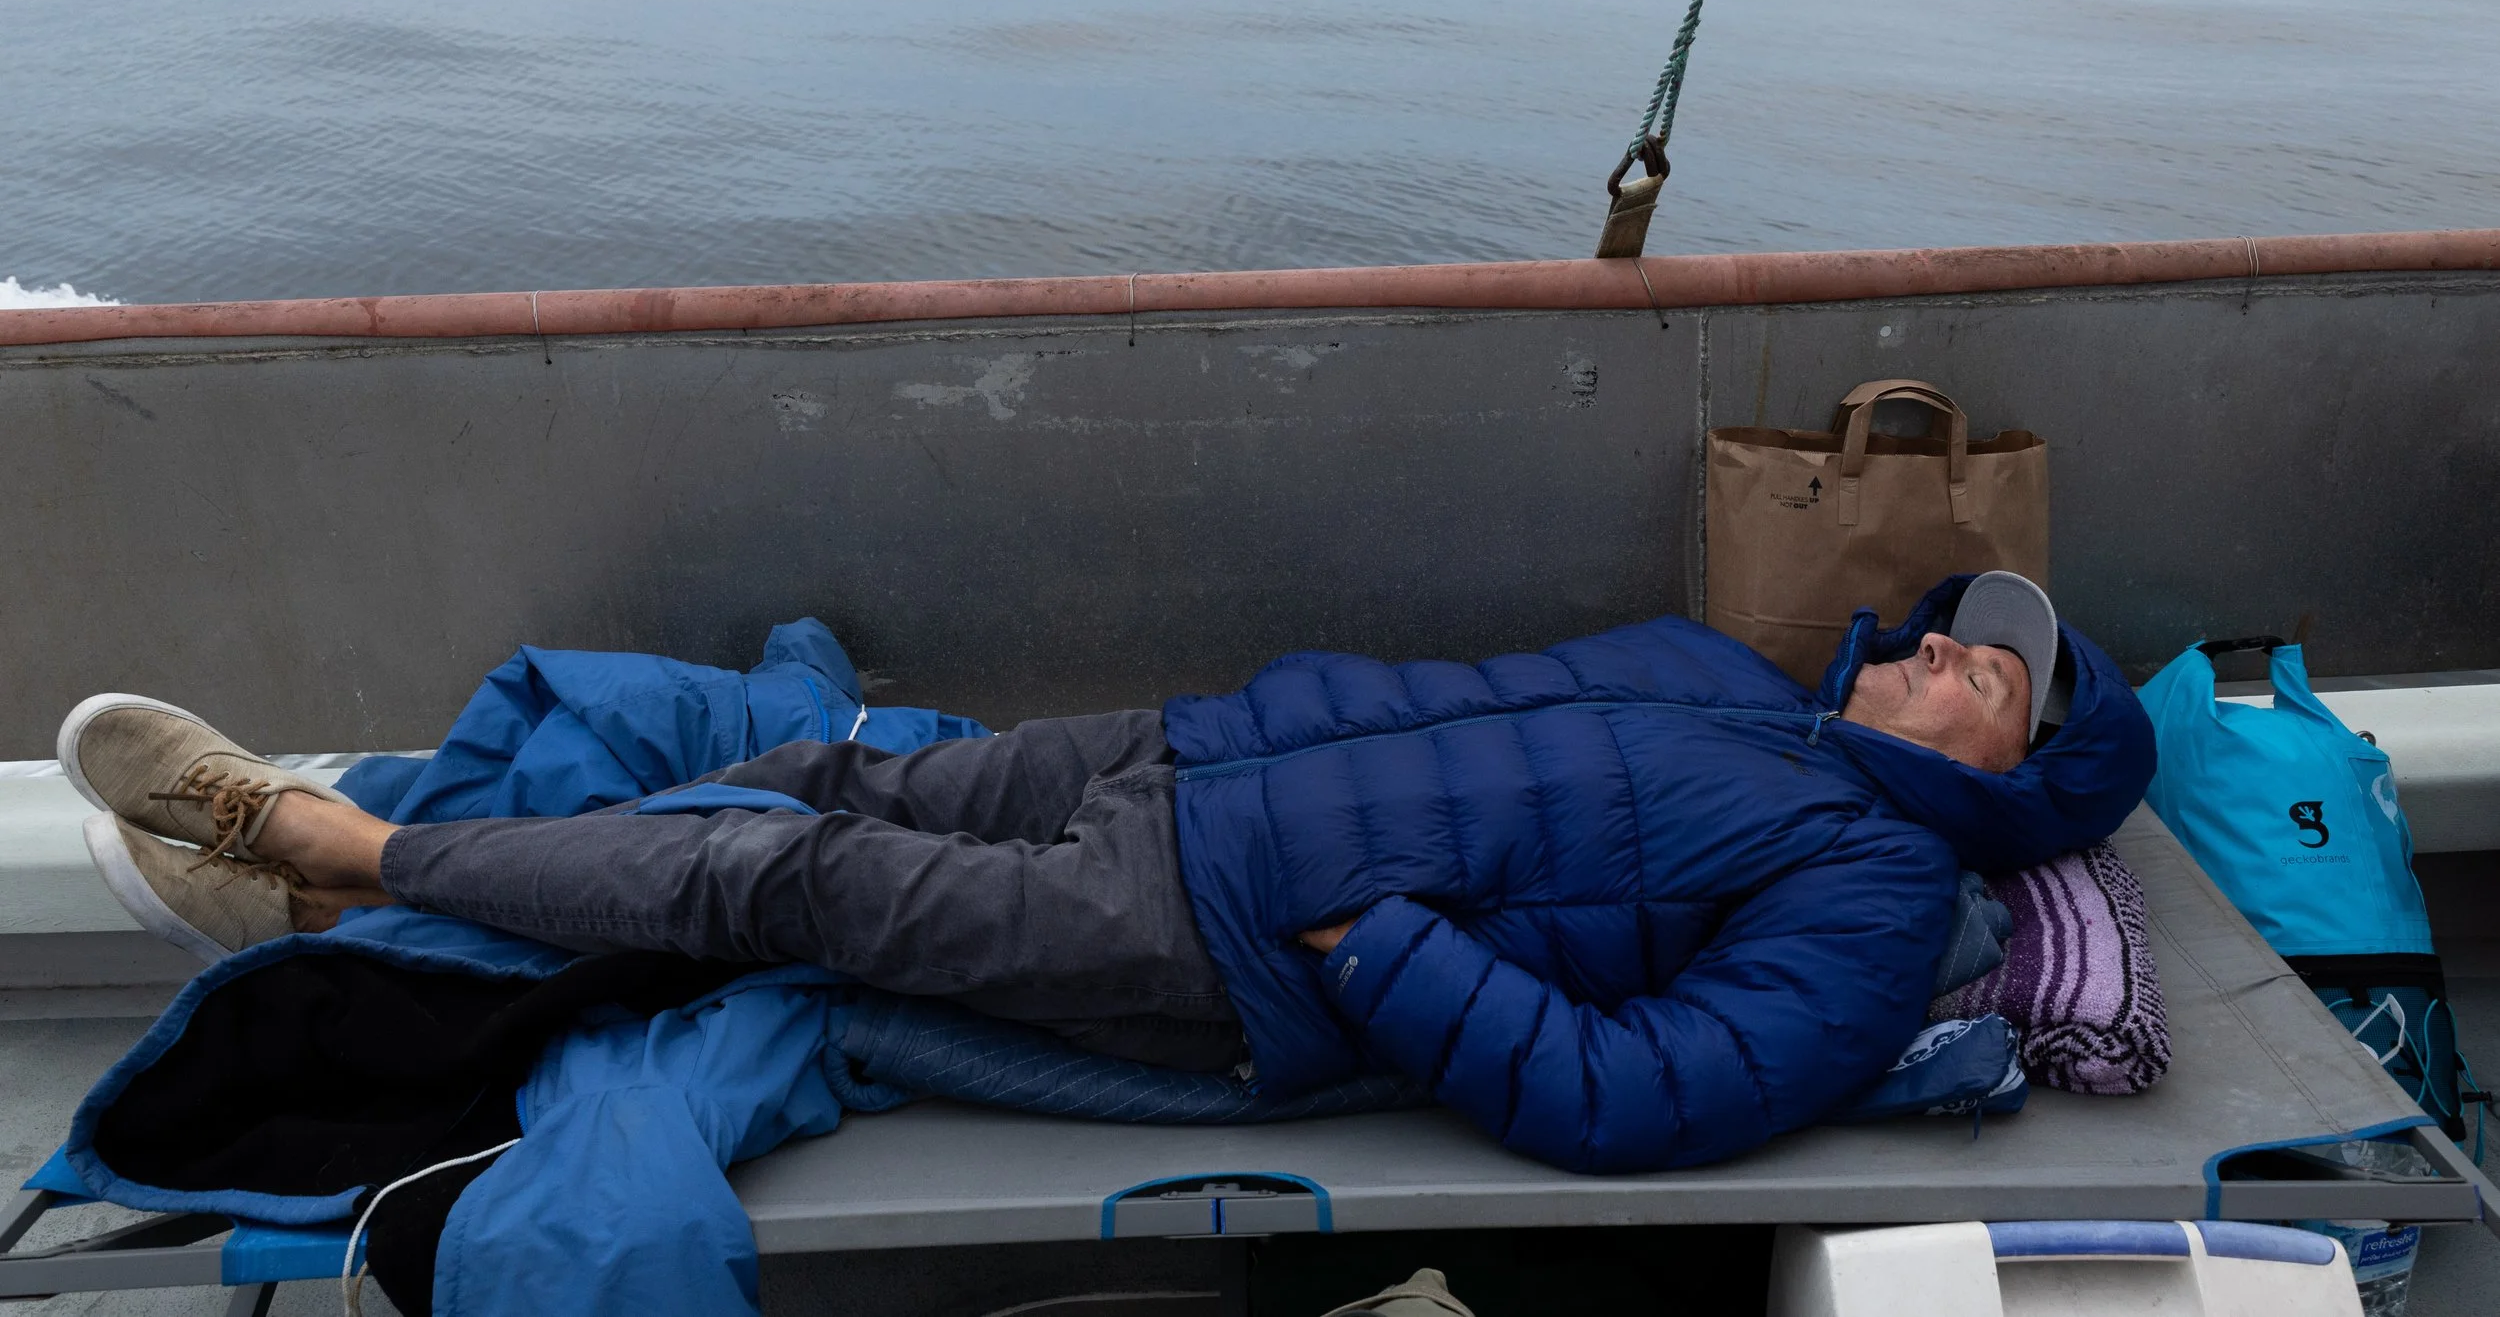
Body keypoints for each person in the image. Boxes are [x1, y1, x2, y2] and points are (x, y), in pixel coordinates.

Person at [65, 570, 2152, 1174]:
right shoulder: (1726, 681)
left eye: (2005, 672)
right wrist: (1246, 717)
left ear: (2021, 777)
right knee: (812, 770)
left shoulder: (1873, 896)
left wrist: (1382, 947)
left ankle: (322, 838)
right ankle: (353, 900)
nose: (1961, 639)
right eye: (1968, 619)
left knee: (788, 887)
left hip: (1223, 939)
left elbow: (1647, 1093)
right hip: (1181, 760)